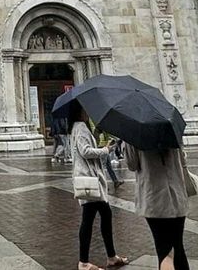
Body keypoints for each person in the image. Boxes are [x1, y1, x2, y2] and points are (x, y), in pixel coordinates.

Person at [68, 100, 128, 270]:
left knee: (104, 216)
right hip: (89, 180)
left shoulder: (79, 127)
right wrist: (105, 150)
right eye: (85, 108)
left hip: (91, 179)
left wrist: (97, 137)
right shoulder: (80, 127)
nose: (88, 111)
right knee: (89, 220)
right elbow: (85, 151)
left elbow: (85, 148)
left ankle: (110, 257)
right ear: (79, 111)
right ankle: (84, 262)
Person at [125, 143, 190, 270]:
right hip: (176, 195)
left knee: (164, 251)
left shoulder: (135, 132)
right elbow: (183, 158)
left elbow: (132, 164)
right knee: (178, 246)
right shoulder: (170, 125)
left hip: (154, 197)